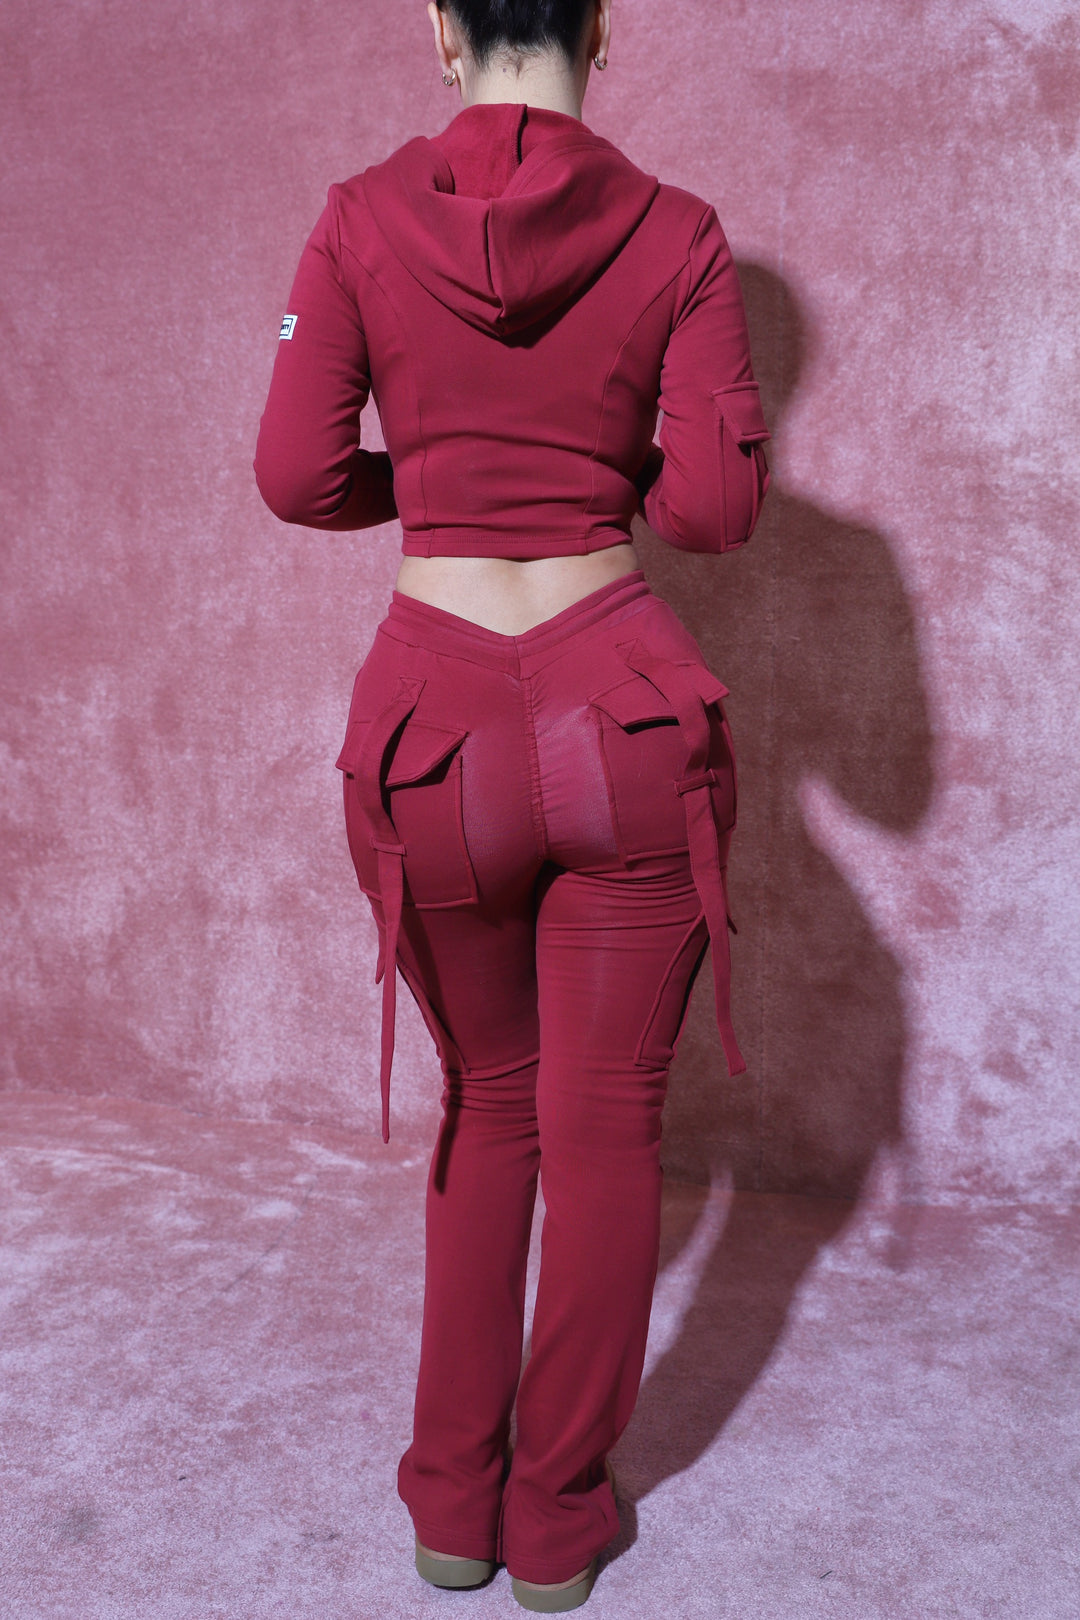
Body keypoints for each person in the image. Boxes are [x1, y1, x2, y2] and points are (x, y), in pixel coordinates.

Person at [254, 1, 770, 1608]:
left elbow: (295, 474)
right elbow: (716, 509)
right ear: (601, 23)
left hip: (436, 728)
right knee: (606, 1126)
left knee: (493, 1106)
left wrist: (435, 484)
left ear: (441, 24)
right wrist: (597, 483)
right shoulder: (679, 232)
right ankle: (557, 1525)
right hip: (622, 707)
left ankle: (450, 1513)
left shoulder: (356, 218)